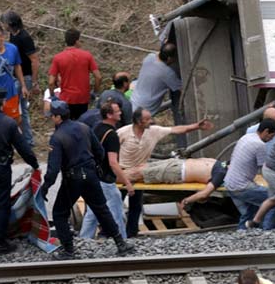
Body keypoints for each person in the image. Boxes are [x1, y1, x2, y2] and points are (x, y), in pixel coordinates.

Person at [41, 100, 134, 260]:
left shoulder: (57, 137)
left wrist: (45, 187)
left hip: (72, 179)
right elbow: (100, 152)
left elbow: (53, 169)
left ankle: (69, 250)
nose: (52, 119)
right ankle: (121, 243)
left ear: (57, 117)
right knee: (102, 209)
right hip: (91, 176)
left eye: (53, 116)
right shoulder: (84, 128)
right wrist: (94, 166)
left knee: (59, 213)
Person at [117, 107, 213, 237]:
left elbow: (177, 129)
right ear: (139, 122)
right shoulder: (123, 132)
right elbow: (109, 150)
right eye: (147, 119)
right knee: (115, 203)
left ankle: (131, 233)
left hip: (140, 173)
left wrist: (196, 126)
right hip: (122, 173)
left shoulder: (153, 131)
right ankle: (111, 232)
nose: (151, 121)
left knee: (136, 205)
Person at [0, 87, 39, 254]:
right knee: (2, 204)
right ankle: (1, 242)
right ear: (3, 103)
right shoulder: (9, 123)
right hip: (1, 168)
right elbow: (23, 148)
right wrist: (34, 164)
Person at [79, 101, 135, 239]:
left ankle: (84, 241)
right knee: (117, 213)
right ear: (110, 115)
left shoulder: (97, 127)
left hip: (93, 177)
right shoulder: (111, 135)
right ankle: (122, 242)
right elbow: (113, 163)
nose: (120, 113)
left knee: (92, 213)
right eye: (117, 111)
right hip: (105, 180)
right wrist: (127, 182)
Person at [224, 119, 275, 230]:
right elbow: (265, 170)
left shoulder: (246, 137)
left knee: (250, 211)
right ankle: (267, 232)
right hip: (241, 186)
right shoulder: (260, 145)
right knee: (274, 200)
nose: (271, 140)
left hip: (229, 183)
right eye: (271, 136)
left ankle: (242, 233)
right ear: (266, 131)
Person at [130, 43, 185, 146]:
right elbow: (182, 89)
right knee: (135, 135)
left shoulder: (150, 57)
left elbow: (158, 53)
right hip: (145, 107)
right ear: (169, 58)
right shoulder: (167, 73)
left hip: (135, 98)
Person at [0, 11, 40, 147]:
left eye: (4, 22)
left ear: (11, 23)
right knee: (19, 109)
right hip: (15, 77)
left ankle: (23, 140)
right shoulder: (13, 35)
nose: (3, 25)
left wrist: (34, 82)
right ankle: (25, 140)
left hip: (25, 78)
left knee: (16, 108)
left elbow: (34, 60)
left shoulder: (24, 37)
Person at [48, 28, 102, 120]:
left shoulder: (58, 58)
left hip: (66, 98)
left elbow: (51, 82)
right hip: (83, 98)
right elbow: (98, 77)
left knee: (66, 125)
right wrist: (95, 92)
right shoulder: (87, 56)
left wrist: (52, 96)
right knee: (81, 124)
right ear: (77, 41)